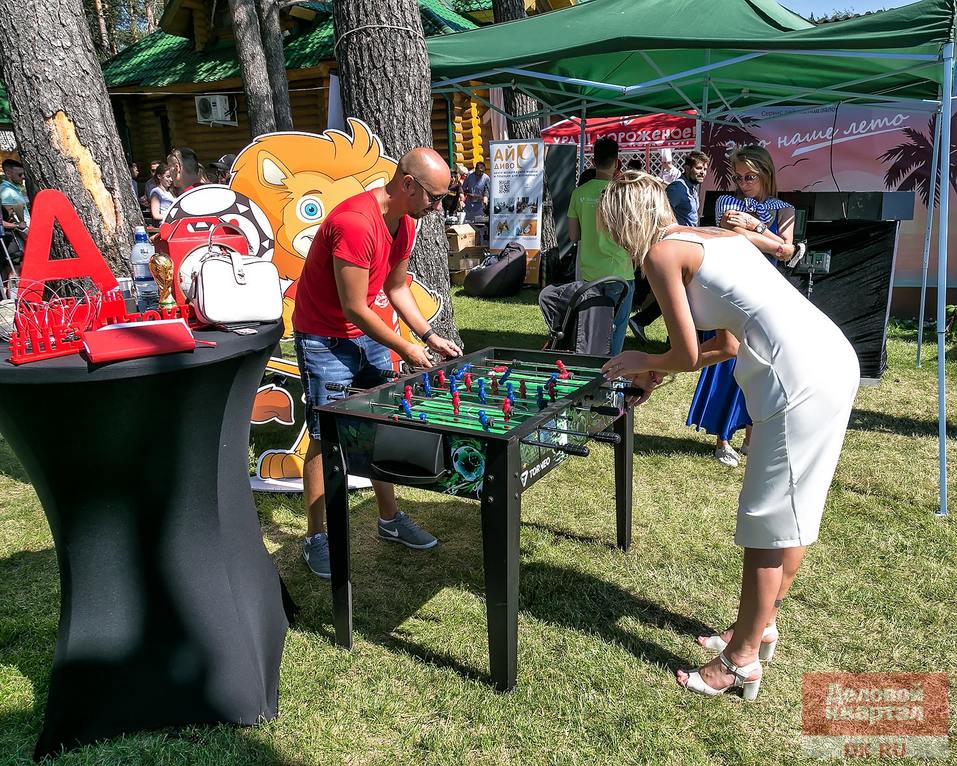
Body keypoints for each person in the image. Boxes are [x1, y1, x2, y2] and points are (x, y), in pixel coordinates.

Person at [599, 171, 858, 700]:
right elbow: (727, 347)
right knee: (793, 511)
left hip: (799, 380)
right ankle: (757, 629)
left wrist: (639, 362)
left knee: (767, 521)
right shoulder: (714, 237)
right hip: (831, 358)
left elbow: (686, 351)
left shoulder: (660, 255)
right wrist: (659, 369)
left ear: (625, 221)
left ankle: (739, 661)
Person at [293, 147, 462, 579]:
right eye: (435, 197)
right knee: (325, 437)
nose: (437, 207)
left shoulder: (405, 221)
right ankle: (316, 538)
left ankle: (389, 520)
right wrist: (405, 348)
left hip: (365, 335)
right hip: (324, 338)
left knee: (380, 423)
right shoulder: (355, 222)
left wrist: (427, 335)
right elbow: (353, 307)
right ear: (407, 183)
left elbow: (396, 287)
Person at [689, 145, 806, 465]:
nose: (743, 182)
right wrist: (780, 244)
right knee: (730, 359)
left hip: (769, 293)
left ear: (766, 173)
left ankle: (751, 438)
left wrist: (754, 227)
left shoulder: (785, 208)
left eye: (750, 176)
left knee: (764, 363)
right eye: (738, 176)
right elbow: (772, 246)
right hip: (735, 288)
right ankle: (723, 438)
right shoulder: (727, 202)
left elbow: (781, 251)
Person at [566, 137, 635, 354]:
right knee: (617, 329)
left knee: (592, 329)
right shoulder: (624, 194)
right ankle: (611, 376)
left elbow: (573, 235)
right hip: (620, 272)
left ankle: (592, 372)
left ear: (593, 162)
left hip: (590, 274)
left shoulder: (579, 194)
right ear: (617, 162)